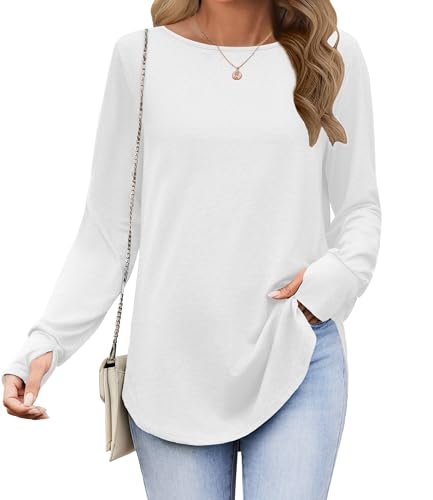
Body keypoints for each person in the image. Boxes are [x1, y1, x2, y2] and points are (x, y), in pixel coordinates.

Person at [2, 0, 381, 498]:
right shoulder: (140, 57)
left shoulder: (331, 55)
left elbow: (359, 208)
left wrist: (329, 286)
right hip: (173, 372)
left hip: (295, 351)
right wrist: (46, 342)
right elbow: (109, 232)